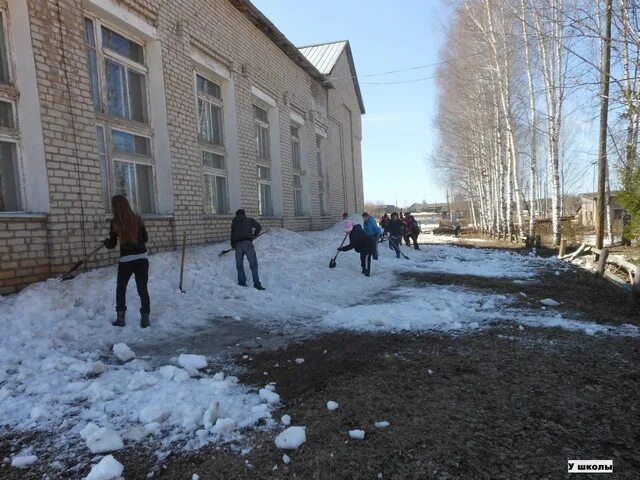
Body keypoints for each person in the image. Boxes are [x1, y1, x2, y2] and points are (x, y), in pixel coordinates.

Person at [103, 195, 150, 328]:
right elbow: (145, 238)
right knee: (143, 289)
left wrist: (107, 242)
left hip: (126, 260)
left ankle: (121, 319)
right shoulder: (137, 219)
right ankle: (145, 320)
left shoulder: (115, 222)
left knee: (121, 288)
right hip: (142, 258)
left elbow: (112, 244)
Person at [230, 209, 264, 290]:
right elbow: (258, 227)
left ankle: (242, 283)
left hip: (238, 245)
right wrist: (254, 235)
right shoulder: (249, 220)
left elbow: (232, 235)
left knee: (239, 265)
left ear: (236, 215)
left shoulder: (234, 222)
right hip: (247, 244)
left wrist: (233, 245)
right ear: (244, 214)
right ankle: (256, 284)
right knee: (253, 264)